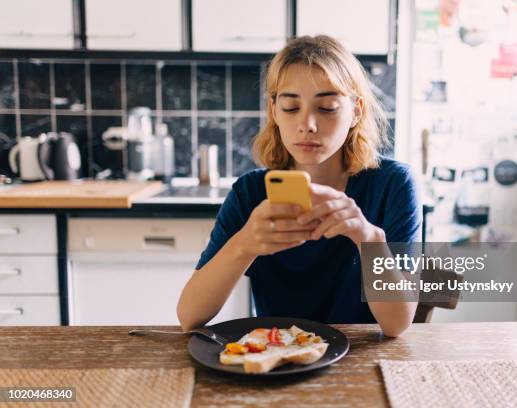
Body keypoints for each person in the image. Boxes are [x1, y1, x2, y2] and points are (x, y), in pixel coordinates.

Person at [177, 35, 420, 337]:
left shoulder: (394, 185)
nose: (308, 124)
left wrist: (367, 236)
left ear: (356, 110)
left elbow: (397, 324)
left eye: (327, 107)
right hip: (279, 359)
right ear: (274, 111)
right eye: (291, 107)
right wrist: (244, 245)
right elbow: (189, 317)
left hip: (360, 361)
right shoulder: (249, 193)